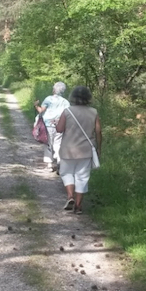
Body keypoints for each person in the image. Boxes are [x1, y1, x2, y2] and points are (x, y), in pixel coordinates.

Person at [55, 86, 101, 214]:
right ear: (88, 98)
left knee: (66, 173)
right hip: (86, 150)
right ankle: (79, 206)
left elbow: (59, 129)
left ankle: (70, 197)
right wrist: (98, 149)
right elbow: (98, 132)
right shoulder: (94, 112)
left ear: (73, 97)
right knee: (82, 177)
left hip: (68, 149)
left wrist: (56, 124)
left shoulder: (67, 111)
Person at [33, 82, 69, 171]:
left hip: (48, 125)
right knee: (59, 144)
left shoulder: (48, 99)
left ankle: (49, 165)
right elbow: (68, 114)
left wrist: (36, 105)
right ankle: (59, 161)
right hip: (60, 125)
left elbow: (41, 111)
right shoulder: (65, 102)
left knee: (48, 143)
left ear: (54, 90)